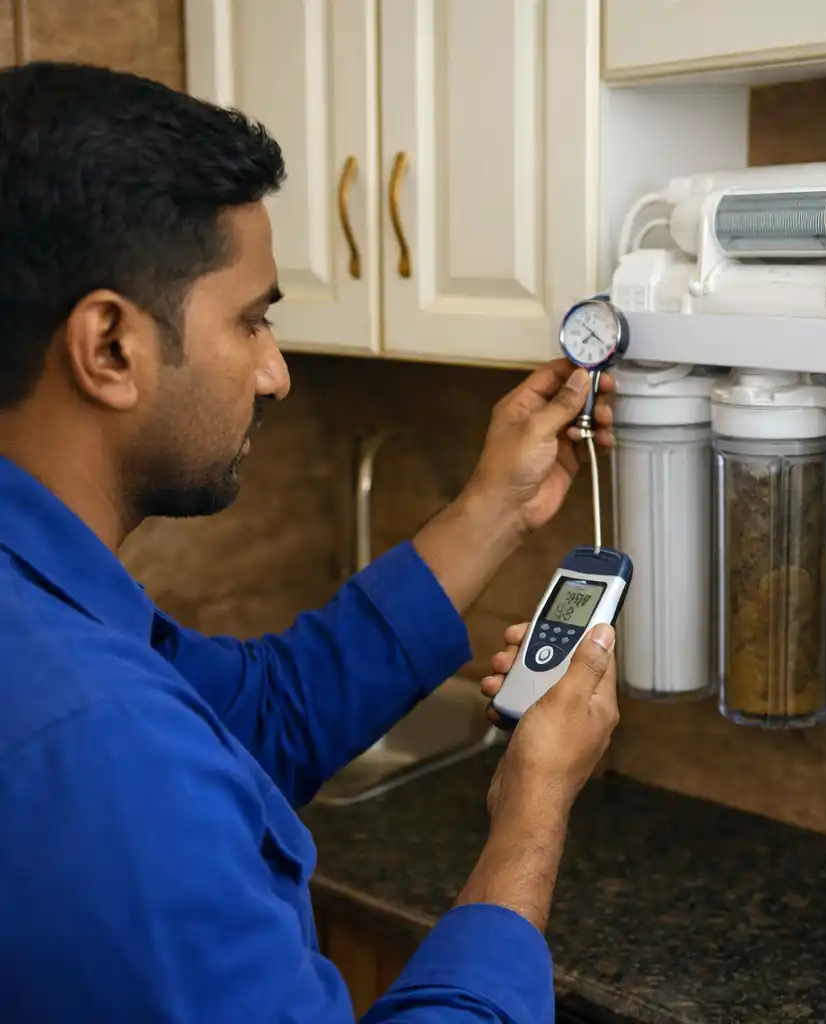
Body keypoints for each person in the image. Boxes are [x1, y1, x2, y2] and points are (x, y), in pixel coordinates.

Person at [0, 62, 620, 1024]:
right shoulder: (100, 746)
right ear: (110, 347)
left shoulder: (39, 600)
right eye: (251, 320)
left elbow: (264, 713)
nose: (276, 372)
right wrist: (531, 811)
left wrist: (494, 505)